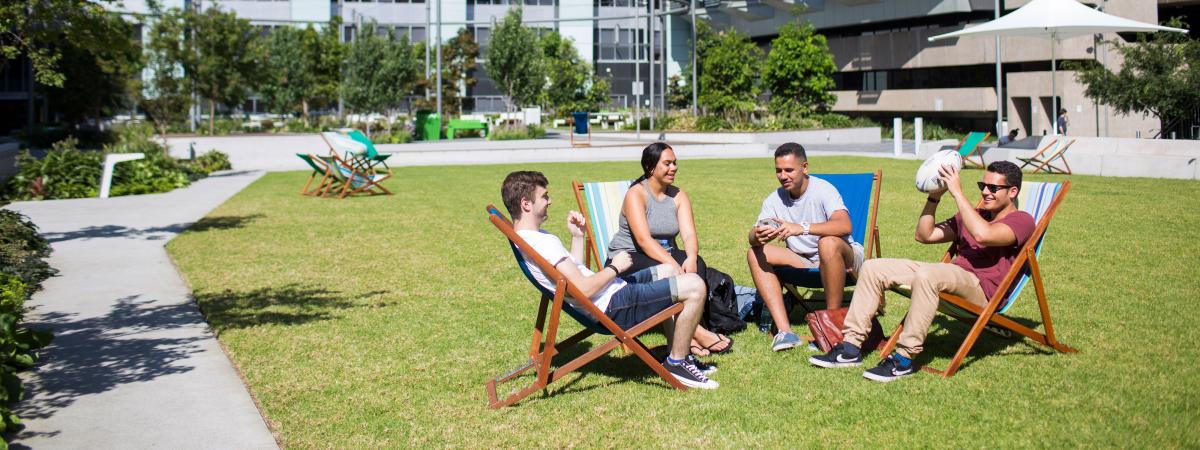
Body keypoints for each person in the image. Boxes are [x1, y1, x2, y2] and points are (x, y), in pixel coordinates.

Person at [809, 161, 1035, 383]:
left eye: (993, 188)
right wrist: (934, 197)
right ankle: (850, 348)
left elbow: (984, 235)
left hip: (981, 289)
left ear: (1013, 192)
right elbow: (924, 235)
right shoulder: (975, 215)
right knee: (873, 267)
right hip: (951, 275)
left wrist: (958, 194)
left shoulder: (1022, 221)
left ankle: (903, 360)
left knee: (928, 274)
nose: (985, 192)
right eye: (982, 186)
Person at [501, 170, 719, 389]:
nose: (550, 201)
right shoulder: (541, 244)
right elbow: (583, 289)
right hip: (613, 306)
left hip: (610, 295)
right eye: (545, 196)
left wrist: (578, 237)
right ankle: (677, 363)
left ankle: (678, 355)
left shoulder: (534, 239)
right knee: (695, 286)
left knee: (669, 271)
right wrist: (615, 267)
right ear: (526, 204)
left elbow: (573, 277)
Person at [607, 142, 732, 356]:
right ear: (650, 167)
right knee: (672, 271)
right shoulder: (636, 194)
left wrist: (691, 257)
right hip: (629, 258)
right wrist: (675, 266)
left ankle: (689, 332)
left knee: (698, 263)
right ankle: (697, 333)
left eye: (675, 163)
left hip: (662, 254)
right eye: (667, 163)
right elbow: (644, 240)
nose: (673, 168)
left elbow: (689, 234)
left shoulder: (678, 195)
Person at [746, 143, 865, 352]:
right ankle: (785, 331)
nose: (783, 176)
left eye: (789, 170)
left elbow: (844, 225)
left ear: (805, 167)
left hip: (844, 256)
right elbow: (753, 236)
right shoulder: (775, 199)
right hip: (803, 259)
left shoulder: (823, 190)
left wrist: (801, 228)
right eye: (778, 171)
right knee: (755, 253)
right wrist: (757, 235)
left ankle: (830, 327)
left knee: (826, 243)